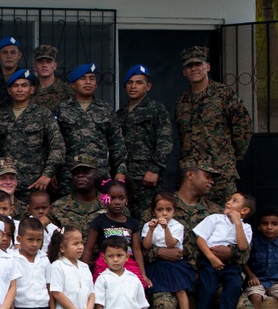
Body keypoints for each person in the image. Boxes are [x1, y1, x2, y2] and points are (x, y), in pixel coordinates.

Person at [142, 161, 272, 309]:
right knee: (162, 306)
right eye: (207, 176)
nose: (212, 181)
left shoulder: (219, 212)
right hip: (172, 277)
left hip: (212, 275)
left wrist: (229, 252)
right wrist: (158, 254)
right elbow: (139, 246)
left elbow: (244, 252)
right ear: (190, 176)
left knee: (244, 308)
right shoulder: (161, 206)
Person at [175, 46, 253, 206]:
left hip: (219, 172)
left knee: (224, 218)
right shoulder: (182, 102)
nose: (194, 69)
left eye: (198, 64)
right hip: (191, 173)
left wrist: (230, 157)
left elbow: (243, 128)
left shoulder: (224, 95)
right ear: (184, 72)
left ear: (207, 67)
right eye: (189, 66)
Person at [0, 68, 65, 207]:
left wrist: (47, 175)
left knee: (33, 226)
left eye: (24, 85)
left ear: (32, 89)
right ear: (9, 90)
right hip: (5, 183)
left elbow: (57, 146)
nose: (19, 89)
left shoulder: (42, 114)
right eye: (15, 86)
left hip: (35, 185)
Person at [191, 192, 255, 309]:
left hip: (231, 265)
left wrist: (238, 223)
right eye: (229, 199)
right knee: (208, 291)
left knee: (234, 286)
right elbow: (200, 239)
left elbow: (242, 247)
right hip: (209, 261)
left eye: (234, 201)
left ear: (245, 210)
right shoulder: (214, 219)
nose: (228, 202)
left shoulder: (246, 227)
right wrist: (211, 258)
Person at [54, 63, 127, 196]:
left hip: (99, 174)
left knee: (102, 211)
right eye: (83, 78)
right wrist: (52, 172)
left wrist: (120, 171)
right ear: (73, 85)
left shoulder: (106, 110)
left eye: (92, 78)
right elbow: (54, 144)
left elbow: (117, 144)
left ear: (96, 84)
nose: (88, 82)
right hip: (69, 174)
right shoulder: (61, 109)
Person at [117, 65, 173, 220]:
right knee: (123, 216)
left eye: (139, 82)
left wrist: (155, 169)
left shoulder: (156, 110)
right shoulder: (120, 114)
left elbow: (165, 142)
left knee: (146, 217)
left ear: (148, 86)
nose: (133, 86)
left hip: (147, 177)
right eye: (130, 83)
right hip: (124, 176)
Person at [141, 192, 194, 309]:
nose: (164, 213)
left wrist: (166, 228)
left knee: (181, 290)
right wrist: (151, 230)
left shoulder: (177, 226)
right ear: (153, 211)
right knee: (146, 292)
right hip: (155, 264)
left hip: (174, 264)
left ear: (174, 211)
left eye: (168, 210)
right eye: (160, 210)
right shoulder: (148, 225)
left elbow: (171, 244)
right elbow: (146, 245)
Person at [83, 179, 149, 288]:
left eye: (121, 198)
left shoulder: (133, 223)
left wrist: (143, 275)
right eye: (112, 198)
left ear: (127, 200)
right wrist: (83, 273)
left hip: (128, 262)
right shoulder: (98, 221)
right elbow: (88, 249)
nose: (117, 202)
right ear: (104, 199)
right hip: (105, 263)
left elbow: (136, 250)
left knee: (136, 287)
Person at [49, 156, 105, 236]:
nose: (80, 176)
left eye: (86, 172)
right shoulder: (58, 207)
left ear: (96, 175)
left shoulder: (110, 204)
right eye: (76, 173)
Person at [29, 44, 71, 114]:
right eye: (40, 61)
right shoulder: (29, 92)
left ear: (55, 65)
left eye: (48, 61)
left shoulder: (67, 91)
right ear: (35, 66)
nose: (44, 65)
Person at [0, 36, 22, 114]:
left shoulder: (28, 81)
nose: (9, 56)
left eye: (13, 52)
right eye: (5, 52)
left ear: (19, 55)